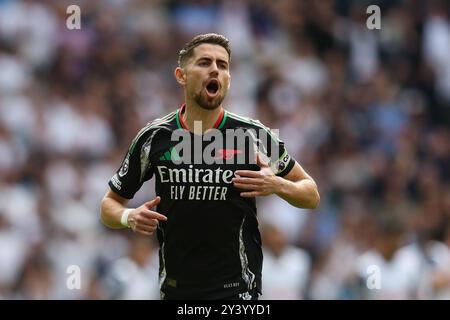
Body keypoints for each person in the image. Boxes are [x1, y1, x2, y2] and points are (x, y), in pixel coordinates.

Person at [100, 33, 320, 300]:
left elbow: (311, 195)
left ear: (228, 79)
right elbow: (108, 205)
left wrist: (277, 184)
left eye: (223, 65)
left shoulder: (253, 135)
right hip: (177, 290)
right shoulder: (154, 137)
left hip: (237, 289)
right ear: (181, 75)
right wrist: (129, 217)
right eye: (205, 62)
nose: (215, 69)